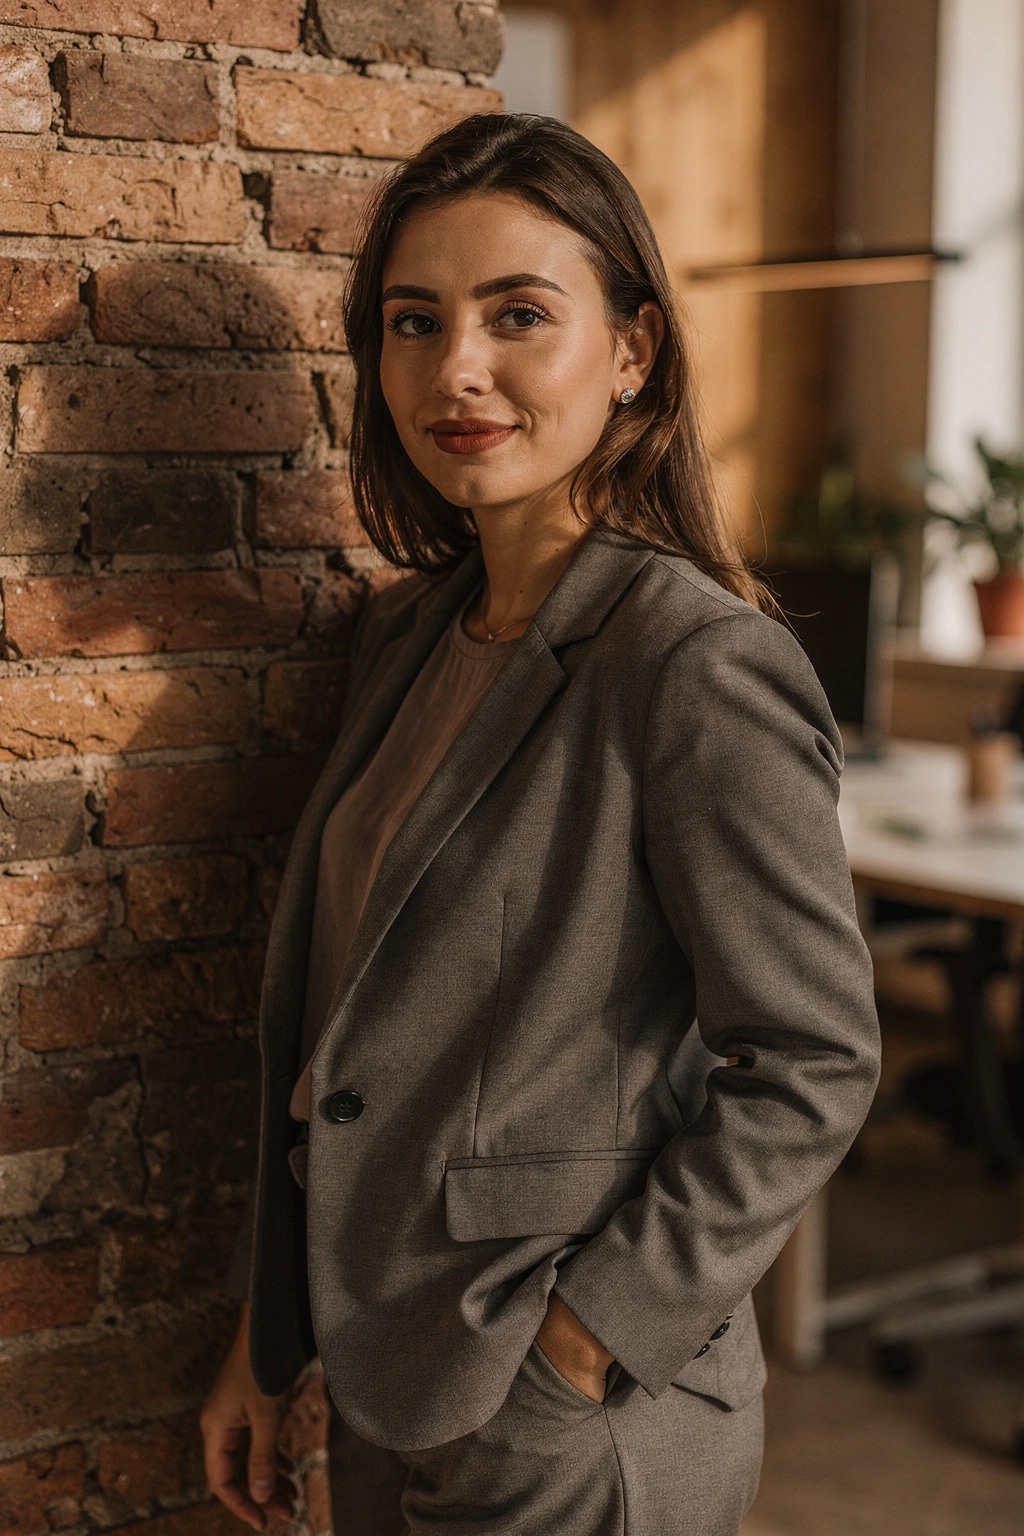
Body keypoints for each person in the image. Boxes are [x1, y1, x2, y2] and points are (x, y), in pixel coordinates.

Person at [200, 112, 880, 1536]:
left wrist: (579, 1349)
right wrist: (272, 1341)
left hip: (571, 1413)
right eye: (414, 320)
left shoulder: (692, 665)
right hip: (393, 1376)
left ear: (632, 350)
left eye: (519, 316)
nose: (457, 370)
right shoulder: (406, 637)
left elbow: (811, 1058)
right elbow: (342, 1041)